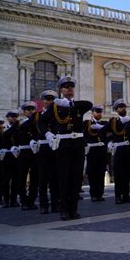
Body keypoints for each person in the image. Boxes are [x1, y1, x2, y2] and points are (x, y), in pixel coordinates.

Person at [38, 76, 92, 220]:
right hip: (63, 145)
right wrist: (49, 134)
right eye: (66, 87)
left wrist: (71, 104)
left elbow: (89, 104)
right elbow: (41, 122)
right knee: (63, 178)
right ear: (61, 90)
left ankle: (73, 209)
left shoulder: (79, 105)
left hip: (78, 145)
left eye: (71, 86)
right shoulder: (55, 106)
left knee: (76, 178)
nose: (69, 89)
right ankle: (64, 210)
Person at [103, 99, 130, 204]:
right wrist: (109, 142)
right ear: (116, 110)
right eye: (120, 107)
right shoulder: (113, 121)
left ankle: (126, 195)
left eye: (124, 106)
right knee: (118, 174)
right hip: (118, 150)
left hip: (129, 149)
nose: (123, 108)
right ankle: (118, 196)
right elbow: (102, 132)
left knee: (127, 173)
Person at [34, 90, 60, 214]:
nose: (48, 101)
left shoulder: (58, 114)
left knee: (55, 177)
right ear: (42, 101)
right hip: (43, 148)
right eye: (46, 99)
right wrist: (32, 141)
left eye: (51, 99)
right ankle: (44, 205)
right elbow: (25, 129)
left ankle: (55, 204)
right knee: (43, 178)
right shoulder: (37, 115)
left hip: (55, 148)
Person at [84, 105, 108, 201]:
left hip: (102, 150)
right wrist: (85, 145)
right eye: (97, 111)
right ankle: (93, 194)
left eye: (100, 112)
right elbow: (83, 135)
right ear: (92, 112)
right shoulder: (87, 123)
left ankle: (100, 193)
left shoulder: (104, 123)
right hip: (92, 150)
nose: (99, 114)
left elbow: (110, 132)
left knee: (101, 172)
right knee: (92, 172)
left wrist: (101, 127)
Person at [0, 110, 20, 208]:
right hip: (6, 156)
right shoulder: (3, 128)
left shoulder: (18, 128)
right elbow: (6, 135)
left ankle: (14, 200)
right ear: (7, 118)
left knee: (16, 179)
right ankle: (6, 200)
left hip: (16, 156)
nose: (13, 118)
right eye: (11, 117)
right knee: (5, 180)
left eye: (15, 117)